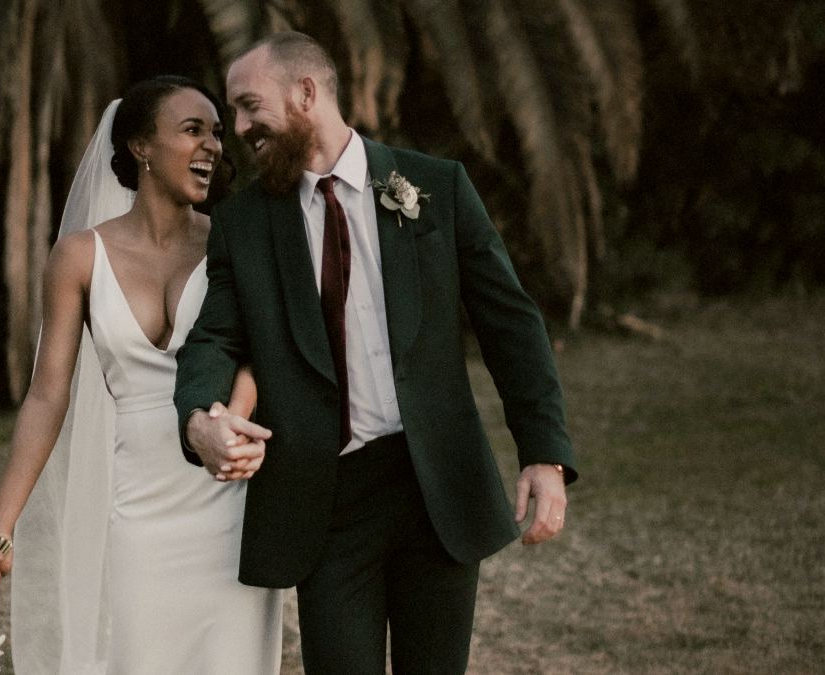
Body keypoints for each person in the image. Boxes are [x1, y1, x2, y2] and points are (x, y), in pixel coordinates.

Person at [176, 32, 578, 674]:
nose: (240, 128)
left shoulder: (435, 186)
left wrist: (545, 454)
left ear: (306, 93)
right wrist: (199, 417)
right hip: (325, 500)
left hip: (436, 485)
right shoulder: (245, 223)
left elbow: (511, 322)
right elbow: (216, 336)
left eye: (250, 106)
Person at [0, 76, 282, 674]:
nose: (213, 145)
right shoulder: (79, 257)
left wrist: (235, 422)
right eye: (193, 130)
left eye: (217, 132)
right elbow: (46, 394)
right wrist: (0, 519)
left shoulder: (233, 241)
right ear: (141, 146)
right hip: (138, 508)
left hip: (230, 499)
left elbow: (259, 352)